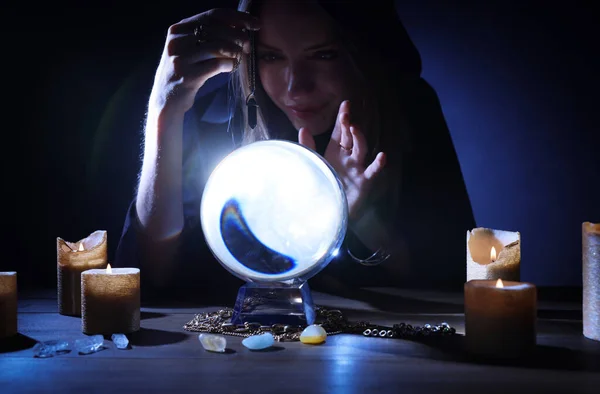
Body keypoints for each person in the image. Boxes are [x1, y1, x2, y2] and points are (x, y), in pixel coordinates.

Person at [114, 0, 476, 300]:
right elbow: (147, 277)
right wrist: (164, 109)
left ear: (363, 51)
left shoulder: (408, 107)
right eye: (272, 57)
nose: (296, 87)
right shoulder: (211, 115)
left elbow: (451, 280)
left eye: (324, 55)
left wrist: (359, 218)